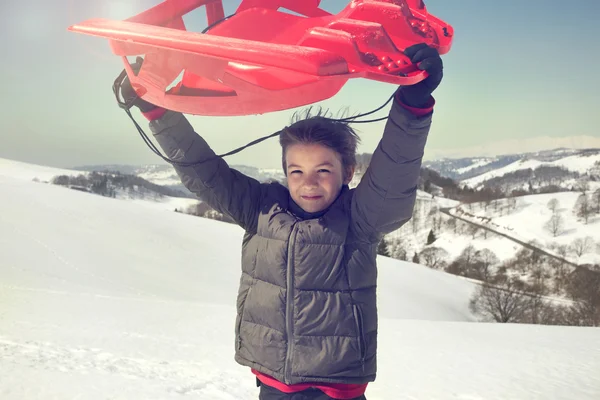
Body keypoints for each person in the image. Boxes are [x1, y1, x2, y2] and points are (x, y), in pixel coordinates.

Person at [118, 43, 443, 400]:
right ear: (285, 171)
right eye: (297, 170)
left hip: (337, 390)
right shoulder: (259, 208)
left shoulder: (359, 218)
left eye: (323, 170)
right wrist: (156, 110)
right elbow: (203, 172)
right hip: (273, 385)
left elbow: (394, 175)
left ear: (347, 171)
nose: (308, 182)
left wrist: (411, 108)